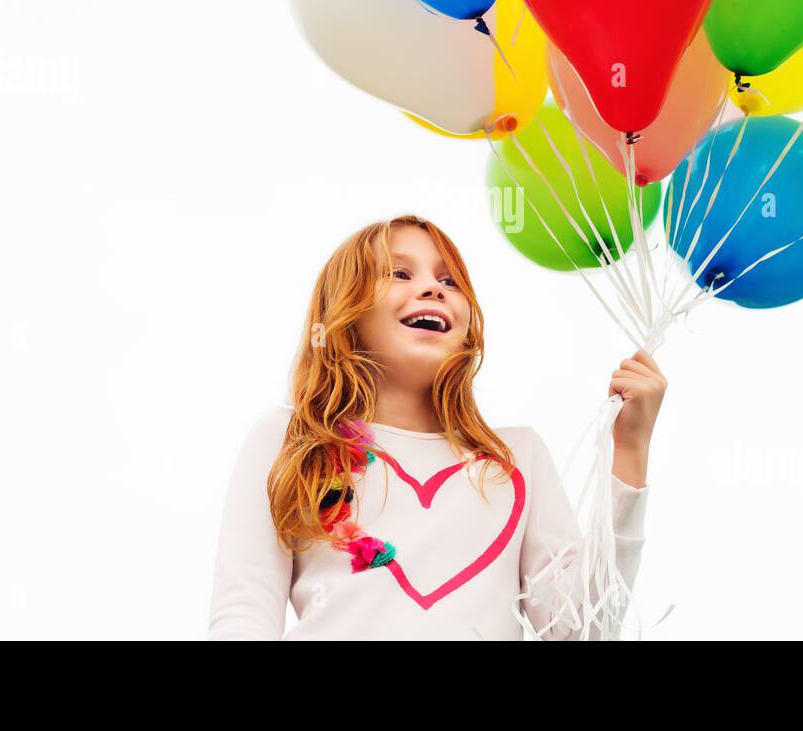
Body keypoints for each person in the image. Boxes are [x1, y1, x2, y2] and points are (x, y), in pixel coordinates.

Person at [208, 214, 666, 640]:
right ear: (342, 316)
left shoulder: (515, 458)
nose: (433, 288)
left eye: (449, 280)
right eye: (400, 274)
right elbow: (244, 609)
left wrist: (629, 451)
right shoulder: (294, 437)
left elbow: (580, 628)